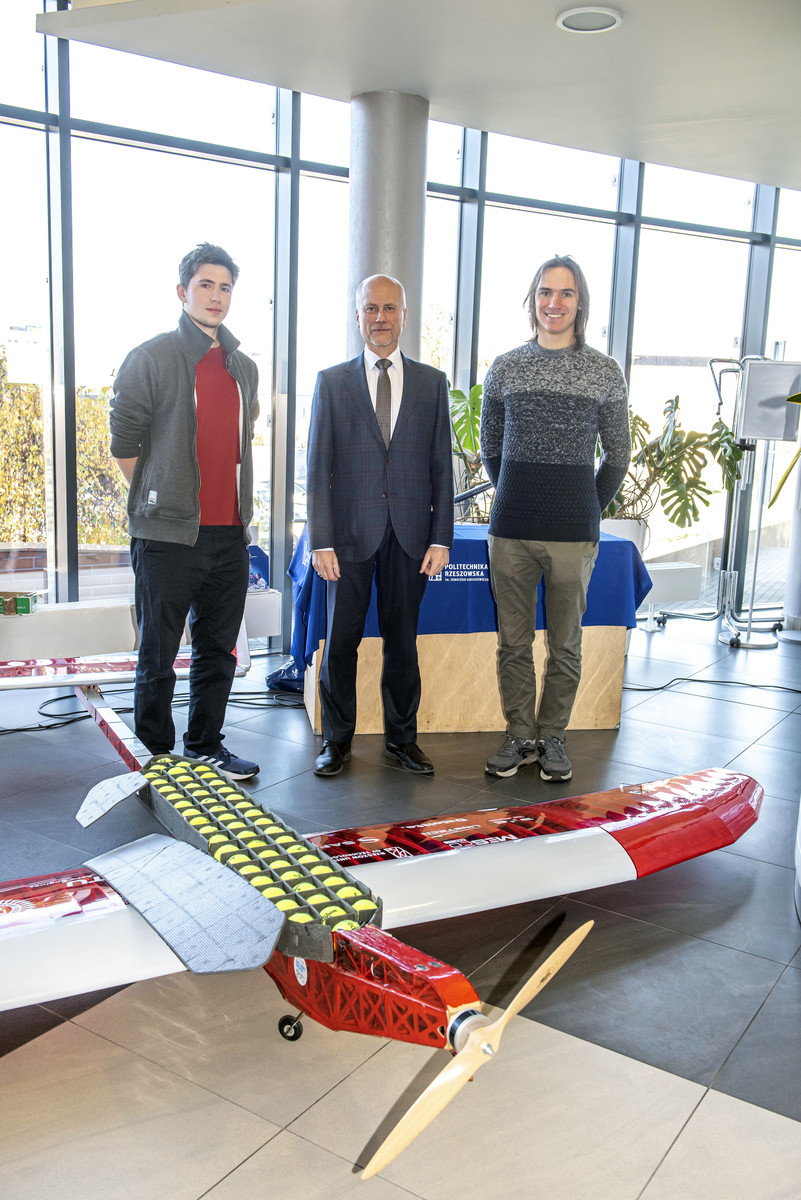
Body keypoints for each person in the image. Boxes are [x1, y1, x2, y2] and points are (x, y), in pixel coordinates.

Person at [109, 243, 260, 781]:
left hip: (229, 535)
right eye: (205, 285)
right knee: (158, 653)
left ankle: (204, 745)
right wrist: (162, 499)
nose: (216, 296)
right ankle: (155, 756)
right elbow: (124, 444)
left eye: (225, 287)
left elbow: (238, 442)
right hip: (167, 537)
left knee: (218, 651)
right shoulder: (151, 357)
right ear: (182, 291)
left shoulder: (244, 367)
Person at [481, 255, 630, 782]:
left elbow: (618, 456)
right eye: (546, 291)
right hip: (510, 530)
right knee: (513, 643)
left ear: (579, 302)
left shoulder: (604, 372)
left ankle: (552, 738)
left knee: (565, 645)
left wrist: (585, 504)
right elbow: (490, 449)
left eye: (566, 293)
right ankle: (520, 735)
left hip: (573, 533)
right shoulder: (505, 367)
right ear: (533, 299)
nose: (554, 302)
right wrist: (518, 493)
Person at [307, 274, 454, 777]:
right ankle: (336, 741)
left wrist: (441, 537)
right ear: (358, 317)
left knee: (403, 642)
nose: (381, 318)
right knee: (340, 643)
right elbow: (317, 469)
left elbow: (441, 467)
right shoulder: (332, 382)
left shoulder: (432, 384)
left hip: (411, 537)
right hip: (347, 538)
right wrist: (321, 540)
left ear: (404, 316)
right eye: (371, 308)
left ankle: (402, 740)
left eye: (390, 308)